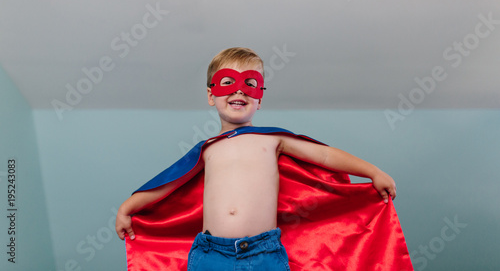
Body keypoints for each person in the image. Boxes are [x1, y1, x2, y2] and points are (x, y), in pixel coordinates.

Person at [116, 47, 412, 271]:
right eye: (228, 82)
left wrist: (372, 171)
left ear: (260, 98)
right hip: (210, 254)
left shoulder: (273, 140)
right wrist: (128, 207)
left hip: (263, 253)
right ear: (211, 95)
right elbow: (169, 183)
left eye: (250, 85)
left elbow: (323, 154)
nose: (239, 91)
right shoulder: (207, 149)